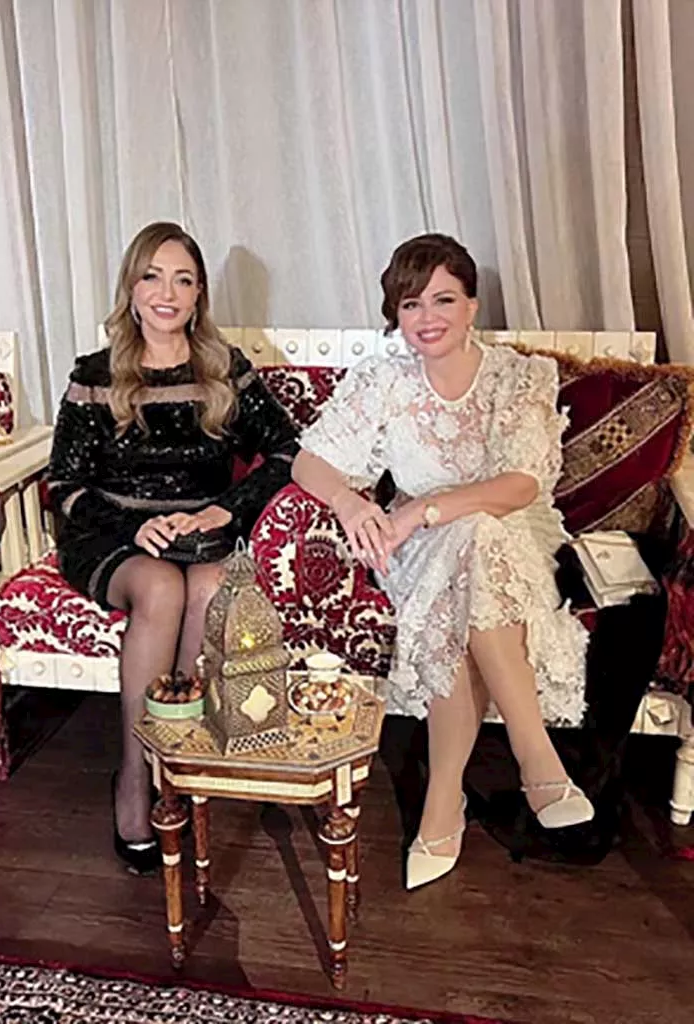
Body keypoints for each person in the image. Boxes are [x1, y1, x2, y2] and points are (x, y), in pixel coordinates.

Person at [292, 233, 594, 891]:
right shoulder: (386, 379)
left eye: (443, 299)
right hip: (420, 551)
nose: (427, 317)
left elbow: (520, 486)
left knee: (478, 536)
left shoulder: (515, 376)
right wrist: (350, 502)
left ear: (472, 305)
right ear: (396, 316)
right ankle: (537, 764)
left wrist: (425, 511)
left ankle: (444, 798)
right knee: (462, 555)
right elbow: (309, 461)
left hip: (510, 535)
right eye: (410, 305)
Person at [47, 221, 298, 873]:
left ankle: (175, 760)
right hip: (114, 533)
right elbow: (64, 484)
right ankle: (135, 774)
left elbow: (288, 450)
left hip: (202, 533)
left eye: (183, 280)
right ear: (131, 288)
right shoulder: (95, 375)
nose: (167, 293)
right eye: (153, 277)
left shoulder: (224, 369)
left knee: (209, 586)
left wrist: (227, 507)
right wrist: (132, 528)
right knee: (160, 586)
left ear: (198, 295)